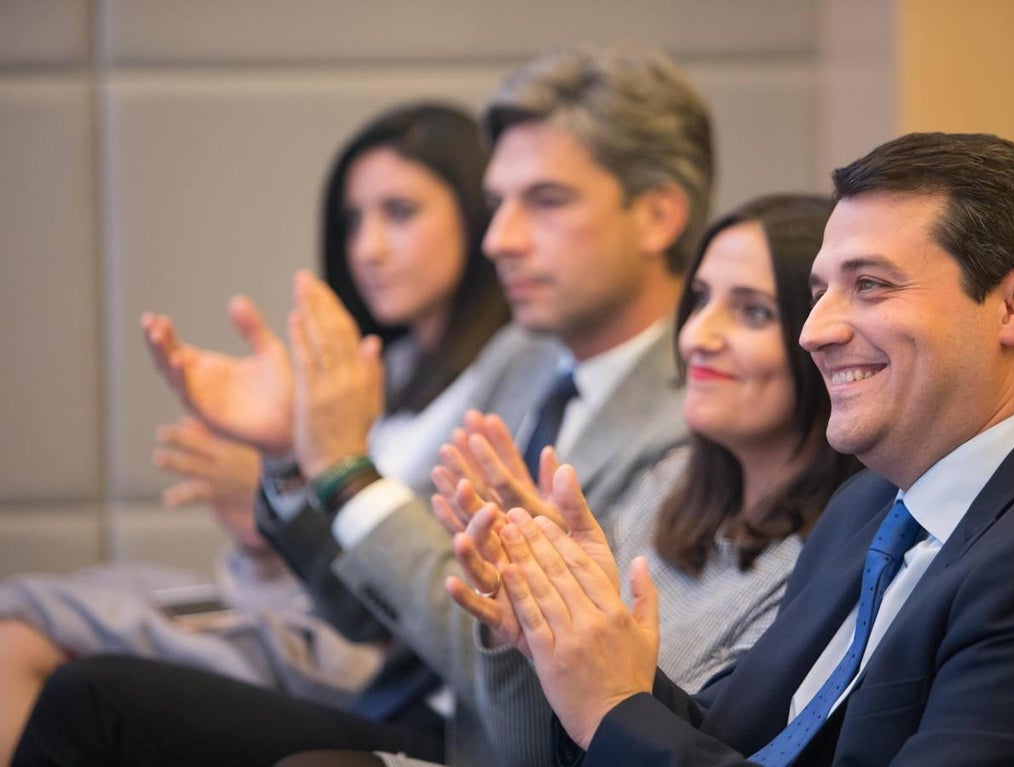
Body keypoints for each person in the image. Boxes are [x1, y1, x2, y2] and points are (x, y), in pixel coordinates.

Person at [12, 43, 714, 767]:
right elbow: (366, 607)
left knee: (89, 697)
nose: (499, 239)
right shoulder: (524, 356)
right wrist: (290, 458)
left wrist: (347, 473)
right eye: (498, 203)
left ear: (657, 216)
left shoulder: (689, 420)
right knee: (76, 685)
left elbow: (542, 665)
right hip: (391, 699)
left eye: (546, 201)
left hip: (486, 742)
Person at [449, 132, 1014, 766]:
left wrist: (614, 706)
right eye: (819, 292)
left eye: (869, 285)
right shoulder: (868, 505)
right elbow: (738, 743)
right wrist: (574, 635)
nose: (813, 330)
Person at [0, 101, 508, 767]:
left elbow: (397, 596)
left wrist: (292, 480)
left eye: (400, 213)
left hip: (364, 657)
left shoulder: (505, 379)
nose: (368, 248)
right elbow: (310, 565)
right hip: (303, 616)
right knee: (33, 607)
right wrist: (273, 492)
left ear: (476, 215)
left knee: (37, 639)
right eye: (353, 221)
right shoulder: (392, 366)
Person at [384, 194, 860, 767]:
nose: (697, 335)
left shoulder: (828, 563)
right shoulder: (668, 484)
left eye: (753, 312)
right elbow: (529, 756)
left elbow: (701, 749)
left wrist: (585, 652)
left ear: (825, 338)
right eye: (700, 299)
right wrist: (531, 626)